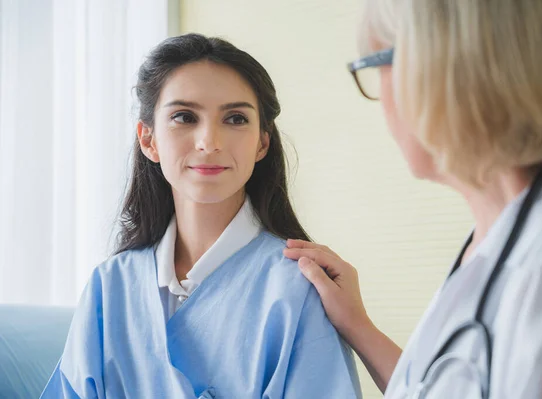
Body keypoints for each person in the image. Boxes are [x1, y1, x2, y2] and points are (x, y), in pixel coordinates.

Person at [285, 0, 542, 397]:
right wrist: (358, 325)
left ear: (445, 71)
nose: (381, 97)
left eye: (379, 65)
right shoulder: (503, 232)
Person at [41, 33, 361, 399]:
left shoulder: (300, 287)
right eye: (184, 117)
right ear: (149, 140)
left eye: (236, 118)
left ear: (262, 142)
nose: (209, 141)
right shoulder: (109, 286)